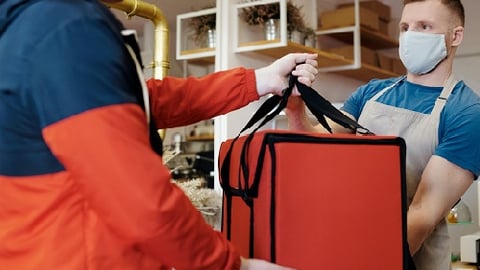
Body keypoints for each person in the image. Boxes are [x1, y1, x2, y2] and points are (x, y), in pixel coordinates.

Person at [0, 0, 318, 269]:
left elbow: (147, 100)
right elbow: (140, 200)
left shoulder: (32, 25)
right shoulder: (64, 30)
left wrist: (260, 80)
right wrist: (232, 265)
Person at [286, 0, 480, 269]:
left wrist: (372, 261)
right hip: (347, 245)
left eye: (424, 26)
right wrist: (295, 106)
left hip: (406, 258)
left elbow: (422, 213)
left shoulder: (466, 112)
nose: (411, 36)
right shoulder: (371, 92)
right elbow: (314, 143)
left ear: (455, 36)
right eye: (405, 27)